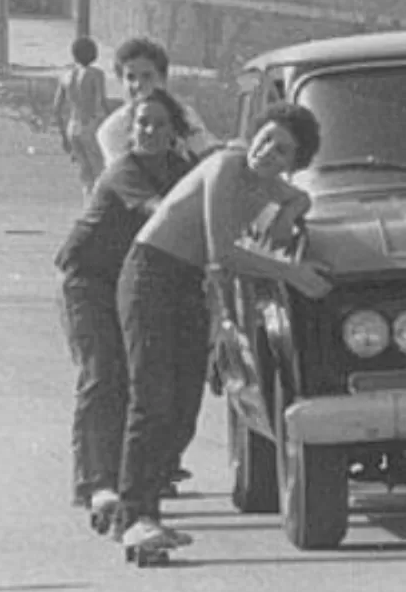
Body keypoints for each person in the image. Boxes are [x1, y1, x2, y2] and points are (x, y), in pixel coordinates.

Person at [114, 103, 330, 552]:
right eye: (266, 138)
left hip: (189, 285)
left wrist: (295, 202)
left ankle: (149, 511)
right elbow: (225, 254)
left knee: (184, 404)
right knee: (153, 398)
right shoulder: (228, 164)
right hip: (151, 274)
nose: (268, 152)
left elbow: (263, 244)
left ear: (295, 162)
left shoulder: (268, 189)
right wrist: (293, 273)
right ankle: (134, 516)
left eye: (283, 151)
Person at [55, 93, 194, 530]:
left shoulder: (180, 172)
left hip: (134, 284)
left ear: (174, 132)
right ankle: (98, 483)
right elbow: (161, 215)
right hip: (89, 281)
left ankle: (139, 476)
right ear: (130, 130)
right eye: (141, 124)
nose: (148, 132)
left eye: (158, 124)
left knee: (149, 380)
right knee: (102, 374)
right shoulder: (124, 172)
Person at [96, 38, 220, 168]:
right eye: (131, 77)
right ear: (121, 81)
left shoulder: (186, 116)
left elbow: (207, 156)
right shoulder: (112, 131)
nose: (138, 84)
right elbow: (124, 180)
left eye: (147, 76)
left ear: (163, 79)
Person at [54, 37, 111, 199]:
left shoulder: (65, 76)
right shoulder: (96, 74)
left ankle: (87, 205)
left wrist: (63, 136)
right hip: (90, 124)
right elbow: (101, 101)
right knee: (100, 171)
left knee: (85, 173)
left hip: (73, 126)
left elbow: (57, 108)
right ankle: (99, 207)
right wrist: (110, 120)